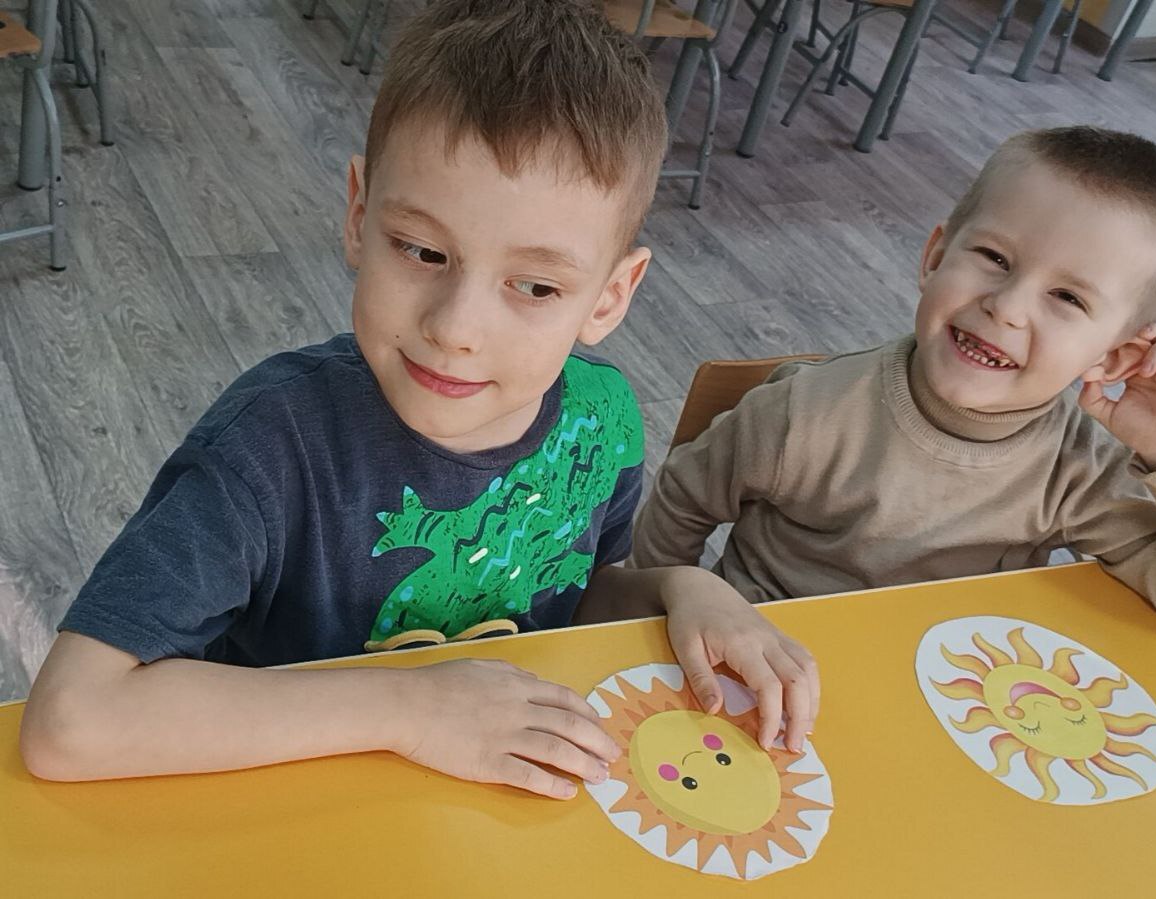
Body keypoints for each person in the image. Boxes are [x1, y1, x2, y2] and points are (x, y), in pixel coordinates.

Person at [20, 0, 818, 799]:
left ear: (610, 296)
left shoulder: (600, 420)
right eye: (422, 250)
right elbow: (69, 720)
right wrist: (411, 707)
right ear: (359, 216)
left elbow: (570, 593)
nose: (456, 329)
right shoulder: (267, 446)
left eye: (536, 286)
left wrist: (678, 588)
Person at [631, 126, 1156, 654]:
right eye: (995, 259)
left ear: (1113, 355)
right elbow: (681, 501)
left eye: (1067, 297)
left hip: (953, 696)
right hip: (762, 674)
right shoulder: (803, 411)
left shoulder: (1080, 469)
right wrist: (652, 620)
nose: (1007, 307)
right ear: (935, 257)